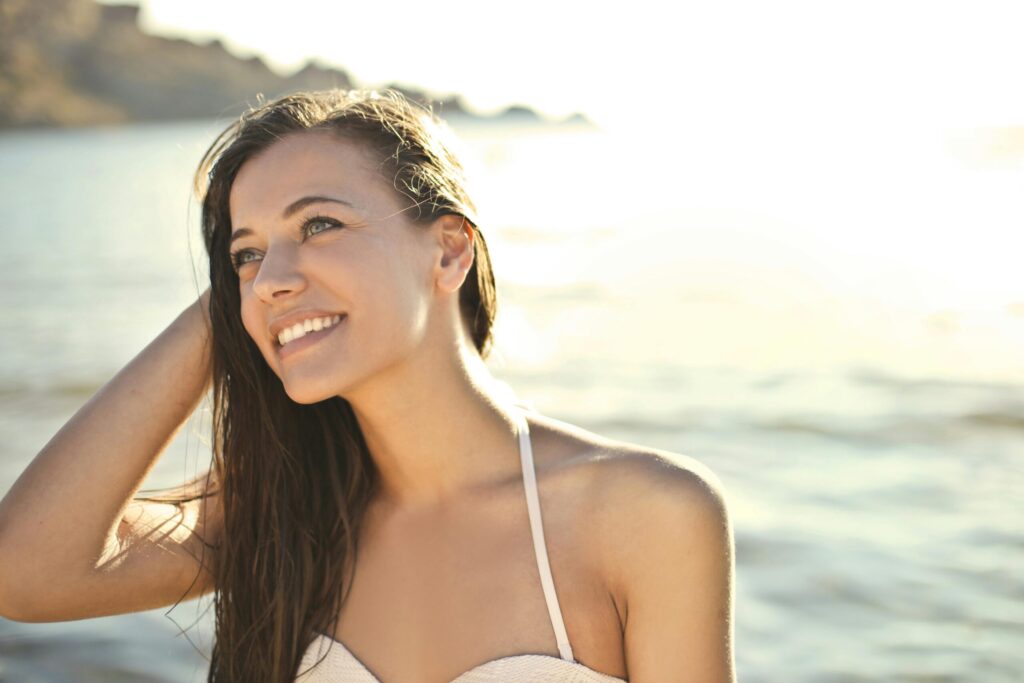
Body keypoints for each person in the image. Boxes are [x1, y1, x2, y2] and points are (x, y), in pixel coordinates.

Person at [0, 89, 735, 682]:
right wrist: (234, 304)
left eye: (319, 224)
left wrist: (274, 280)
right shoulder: (273, 514)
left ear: (448, 251)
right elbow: (25, 571)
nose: (273, 278)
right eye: (246, 253)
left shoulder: (645, 514)